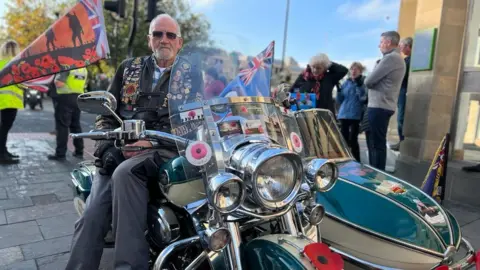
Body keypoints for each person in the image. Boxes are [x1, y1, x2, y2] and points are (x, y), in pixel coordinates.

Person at [65, 14, 185, 270]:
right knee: (93, 215)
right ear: (149, 39)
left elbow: (193, 119)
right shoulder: (128, 67)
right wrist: (106, 148)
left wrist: (150, 143)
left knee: (125, 174)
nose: (164, 39)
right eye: (158, 34)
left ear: (179, 42)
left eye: (170, 35)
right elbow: (105, 112)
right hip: (119, 148)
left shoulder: (191, 74)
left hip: (160, 149)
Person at [364, 31, 406, 171]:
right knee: (374, 143)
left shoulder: (391, 58)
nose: (379, 45)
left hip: (379, 107)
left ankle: (376, 177)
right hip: (380, 106)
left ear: (388, 42)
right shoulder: (394, 58)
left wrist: (375, 69)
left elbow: (369, 81)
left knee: (376, 144)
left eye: (381, 42)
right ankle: (374, 173)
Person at [47, 67, 87, 160]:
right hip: (77, 98)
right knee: (75, 125)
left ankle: (60, 154)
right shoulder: (83, 68)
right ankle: (79, 151)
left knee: (62, 126)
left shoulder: (67, 66)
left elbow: (60, 83)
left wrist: (53, 81)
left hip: (65, 98)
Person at [337, 62, 366, 161]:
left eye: (356, 69)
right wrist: (339, 91)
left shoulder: (363, 82)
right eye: (352, 69)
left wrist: (358, 85)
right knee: (343, 140)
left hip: (355, 115)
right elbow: (340, 100)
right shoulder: (346, 82)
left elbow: (363, 98)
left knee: (353, 139)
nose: (353, 71)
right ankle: (344, 159)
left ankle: (357, 161)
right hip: (344, 114)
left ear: (360, 71)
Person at [0, 40, 23, 164]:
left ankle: (4, 151)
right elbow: (23, 84)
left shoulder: (1, 64)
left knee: (3, 127)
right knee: (4, 128)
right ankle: (2, 155)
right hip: (11, 101)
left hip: (2, 101)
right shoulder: (16, 66)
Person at [391, 37, 413, 151]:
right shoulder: (406, 60)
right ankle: (401, 142)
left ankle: (402, 143)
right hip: (402, 91)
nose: (400, 48)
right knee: (400, 118)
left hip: (405, 91)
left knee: (401, 119)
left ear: (408, 46)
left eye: (402, 46)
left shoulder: (411, 61)